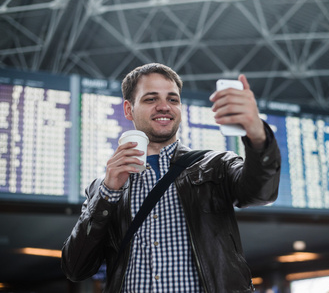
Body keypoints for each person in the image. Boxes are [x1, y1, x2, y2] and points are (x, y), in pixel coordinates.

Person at [61, 63, 281, 292]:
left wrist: (256, 133)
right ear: (128, 109)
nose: (164, 106)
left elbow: (261, 193)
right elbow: (75, 268)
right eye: (150, 99)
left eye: (173, 99)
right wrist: (108, 192)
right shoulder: (103, 188)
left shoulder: (216, 166)